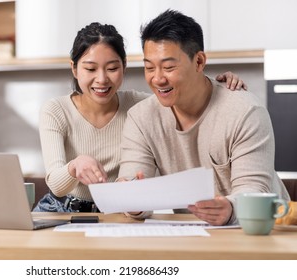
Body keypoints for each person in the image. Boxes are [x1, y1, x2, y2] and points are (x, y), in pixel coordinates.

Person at [33, 22, 247, 213]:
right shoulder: (56, 110)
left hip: (115, 211)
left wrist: (221, 86)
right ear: (74, 69)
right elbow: (56, 185)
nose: (101, 79)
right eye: (90, 69)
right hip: (60, 208)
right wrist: (74, 166)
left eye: (112, 68)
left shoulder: (140, 107)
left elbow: (179, 93)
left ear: (124, 67)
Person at [117, 9, 290, 225]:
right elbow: (133, 182)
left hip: (265, 231)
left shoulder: (245, 112)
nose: (157, 78)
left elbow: (253, 190)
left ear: (199, 62)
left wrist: (230, 209)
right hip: (194, 233)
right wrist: (132, 202)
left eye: (169, 67)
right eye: (149, 67)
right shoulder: (141, 118)